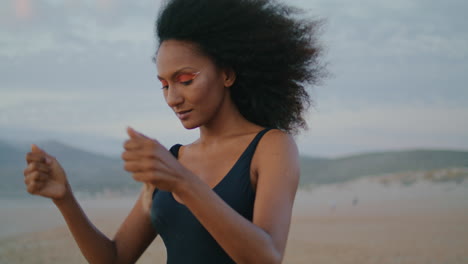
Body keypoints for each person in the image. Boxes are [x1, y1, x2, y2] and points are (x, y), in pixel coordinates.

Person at [23, 0, 324, 263]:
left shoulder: (270, 147)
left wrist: (183, 183)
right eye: (165, 84)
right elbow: (114, 258)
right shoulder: (173, 160)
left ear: (227, 73)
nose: (172, 98)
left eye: (185, 79)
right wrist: (65, 198)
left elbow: (267, 257)